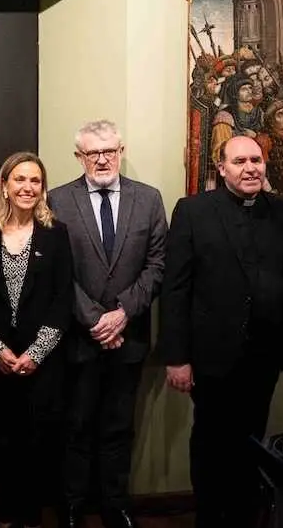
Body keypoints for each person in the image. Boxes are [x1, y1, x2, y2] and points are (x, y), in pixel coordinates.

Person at [157, 135, 283, 528]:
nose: (250, 168)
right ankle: (210, 517)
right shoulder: (192, 211)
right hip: (210, 356)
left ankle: (244, 516)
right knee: (209, 441)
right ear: (221, 168)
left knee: (252, 438)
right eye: (240, 161)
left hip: (264, 356)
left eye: (256, 160)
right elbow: (176, 287)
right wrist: (176, 357)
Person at [49, 121, 167, 528]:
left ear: (121, 150)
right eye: (92, 153)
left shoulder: (148, 200)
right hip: (79, 340)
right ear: (79, 156)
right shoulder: (57, 201)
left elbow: (157, 265)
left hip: (129, 336)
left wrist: (121, 314)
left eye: (110, 151)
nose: (102, 159)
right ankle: (72, 505)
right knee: (76, 425)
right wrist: (94, 319)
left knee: (119, 427)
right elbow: (57, 272)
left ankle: (114, 504)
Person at [0, 152, 74, 528]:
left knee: (36, 447)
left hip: (41, 366)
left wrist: (35, 353)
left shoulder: (56, 234)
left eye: (35, 181)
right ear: (5, 185)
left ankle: (30, 519)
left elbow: (63, 300)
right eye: (20, 179)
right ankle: (3, 518)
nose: (28, 187)